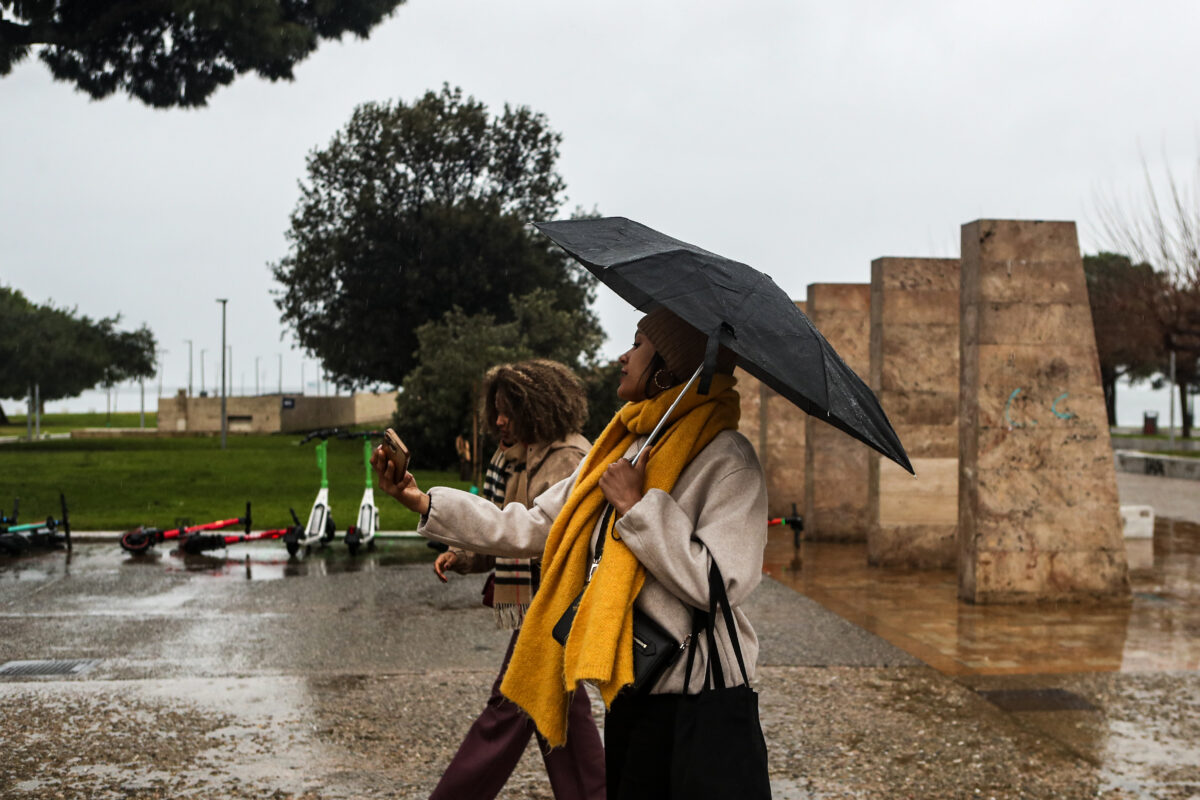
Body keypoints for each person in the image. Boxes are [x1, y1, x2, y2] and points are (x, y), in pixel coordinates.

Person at [372, 308, 768, 799]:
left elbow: (720, 584)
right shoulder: (622, 449)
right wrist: (422, 500)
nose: (623, 356)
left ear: (670, 367)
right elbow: (532, 523)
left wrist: (638, 508)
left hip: (698, 698)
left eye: (638, 345)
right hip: (631, 689)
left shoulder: (728, 461)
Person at [425, 359, 605, 800]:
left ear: (537, 409)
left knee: (508, 708)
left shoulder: (567, 460)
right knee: (557, 714)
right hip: (543, 605)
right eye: (497, 411)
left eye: (509, 411)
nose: (500, 421)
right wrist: (462, 555)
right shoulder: (517, 459)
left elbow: (534, 533)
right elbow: (504, 527)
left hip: (557, 605)